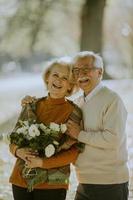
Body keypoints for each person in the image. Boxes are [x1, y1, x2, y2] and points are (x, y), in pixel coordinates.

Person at [9, 58, 84, 200]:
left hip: (53, 184)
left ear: (70, 85)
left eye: (65, 78)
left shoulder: (74, 112)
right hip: (21, 179)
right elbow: (13, 139)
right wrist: (18, 151)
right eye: (55, 75)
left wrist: (43, 163)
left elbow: (74, 151)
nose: (59, 80)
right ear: (47, 78)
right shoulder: (31, 105)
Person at [66, 51, 129, 200]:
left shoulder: (112, 100)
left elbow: (113, 139)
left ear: (99, 72)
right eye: (76, 70)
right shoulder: (77, 103)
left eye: (86, 69)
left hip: (109, 183)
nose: (81, 73)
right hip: (84, 181)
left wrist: (79, 134)